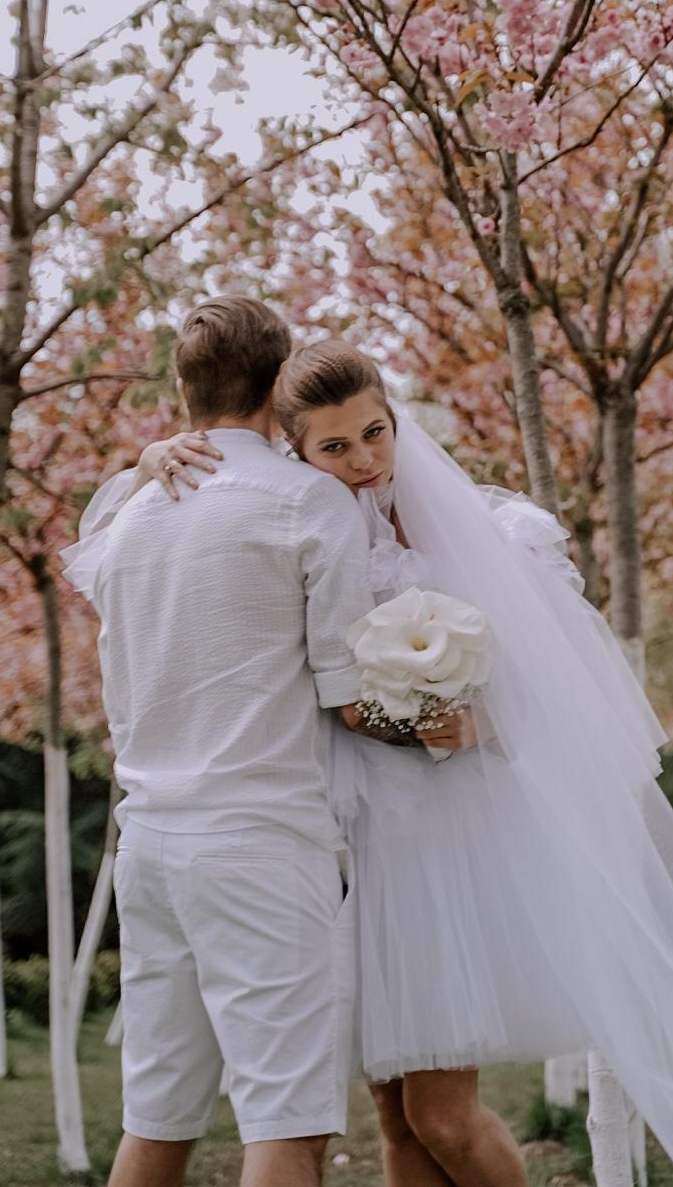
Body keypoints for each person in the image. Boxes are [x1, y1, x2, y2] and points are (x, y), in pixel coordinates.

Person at [135, 334, 673, 1187]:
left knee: (439, 1113)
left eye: (375, 432)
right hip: (347, 844)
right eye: (334, 447)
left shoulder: (486, 531)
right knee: (394, 1119)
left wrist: (480, 723)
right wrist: (152, 455)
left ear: (396, 417)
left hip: (434, 847)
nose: (363, 460)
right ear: (297, 448)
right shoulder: (301, 519)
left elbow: (556, 678)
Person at [62, 300, 416, 1187]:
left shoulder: (134, 518)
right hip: (261, 849)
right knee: (287, 1126)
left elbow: (93, 538)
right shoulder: (309, 501)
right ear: (279, 383)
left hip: (148, 847)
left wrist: (145, 466)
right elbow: (350, 697)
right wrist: (451, 727)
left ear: (183, 390)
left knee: (156, 1122)